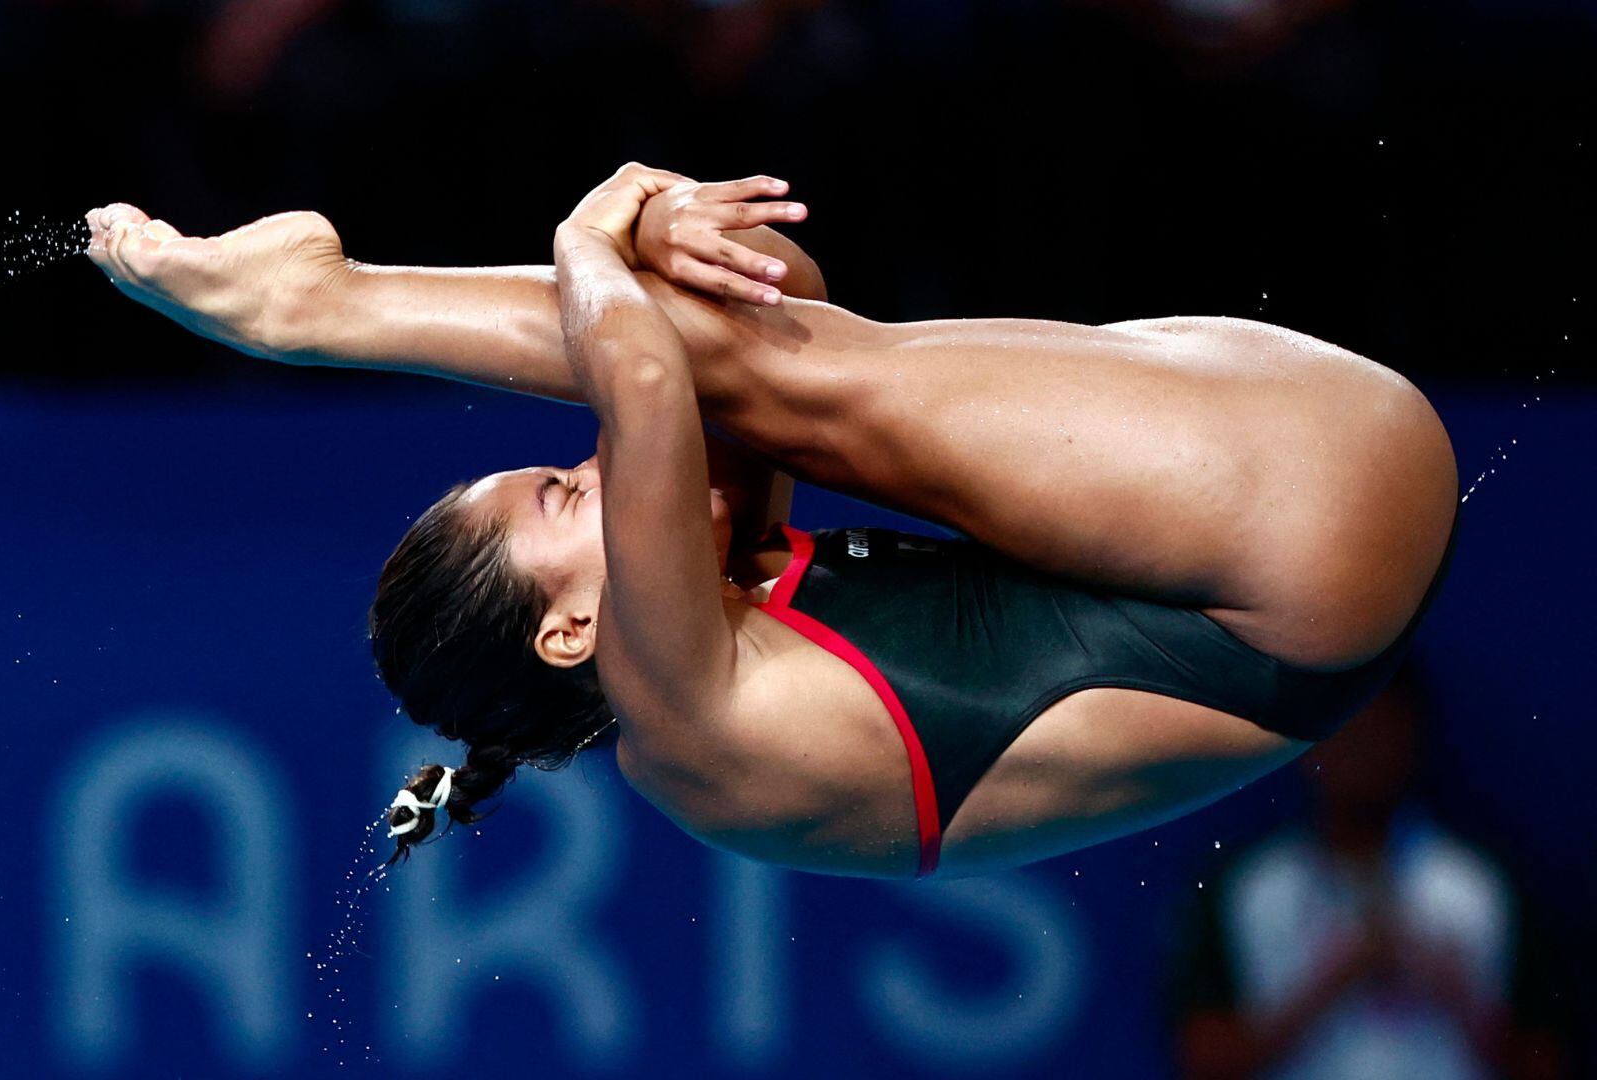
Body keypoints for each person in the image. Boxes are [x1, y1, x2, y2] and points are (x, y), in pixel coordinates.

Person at [85, 163, 1457, 879]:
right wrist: (589, 241)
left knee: (789, 356)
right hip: (1298, 558)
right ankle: (311, 313)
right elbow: (645, 370)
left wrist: (674, 230)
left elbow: (770, 301)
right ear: (570, 634)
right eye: (563, 497)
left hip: (1301, 549)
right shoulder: (680, 714)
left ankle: (321, 307)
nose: (592, 471)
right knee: (775, 373)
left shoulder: (704, 612)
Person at [1171, 672, 1566, 1080]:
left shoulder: (1479, 885)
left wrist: (1454, 992)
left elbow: (1544, 1060)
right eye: (1347, 727)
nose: (1362, 745)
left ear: (1413, 734)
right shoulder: (1250, 887)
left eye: (1381, 726)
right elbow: (1202, 1062)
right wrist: (1339, 974)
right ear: (1306, 744)